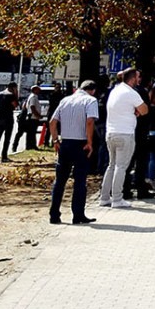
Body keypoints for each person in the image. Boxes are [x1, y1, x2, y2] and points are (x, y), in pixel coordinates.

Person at [48, 80, 99, 225]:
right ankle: (78, 215)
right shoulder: (90, 100)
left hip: (65, 143)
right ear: (92, 90)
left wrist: (55, 140)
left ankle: (54, 215)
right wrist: (90, 142)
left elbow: (52, 122)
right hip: (80, 143)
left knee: (60, 181)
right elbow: (90, 122)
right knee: (80, 180)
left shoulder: (65, 100)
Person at [101, 67, 148, 211]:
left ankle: (104, 197)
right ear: (133, 78)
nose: (139, 80)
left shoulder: (115, 90)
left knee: (111, 165)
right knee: (121, 167)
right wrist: (136, 112)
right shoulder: (131, 93)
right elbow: (144, 110)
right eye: (138, 77)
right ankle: (117, 198)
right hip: (125, 133)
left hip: (111, 132)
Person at [0, 84, 19, 162]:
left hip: (0, 117)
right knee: (7, 138)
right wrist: (16, 94)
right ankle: (4, 156)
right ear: (13, 88)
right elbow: (16, 105)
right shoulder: (11, 96)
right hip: (8, 118)